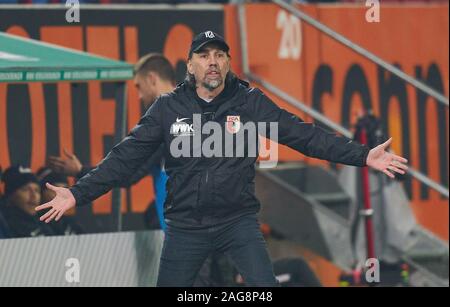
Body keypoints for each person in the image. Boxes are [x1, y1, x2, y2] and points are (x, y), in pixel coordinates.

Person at [36, 31, 408, 287]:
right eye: (204, 55)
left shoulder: (250, 102)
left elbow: (302, 135)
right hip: (186, 227)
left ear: (228, 62)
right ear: (191, 65)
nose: (212, 62)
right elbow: (124, 159)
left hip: (238, 222)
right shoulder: (167, 109)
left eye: (219, 55)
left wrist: (362, 155)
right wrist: (77, 193)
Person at [46, 53, 177, 231]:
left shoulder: (167, 122)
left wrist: (79, 175)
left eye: (138, 86)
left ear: (152, 79)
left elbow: (127, 172)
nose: (138, 95)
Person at [1, 166, 56, 238]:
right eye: (25, 189)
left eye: (36, 190)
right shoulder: (4, 226)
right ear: (10, 195)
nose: (34, 196)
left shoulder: (45, 223)